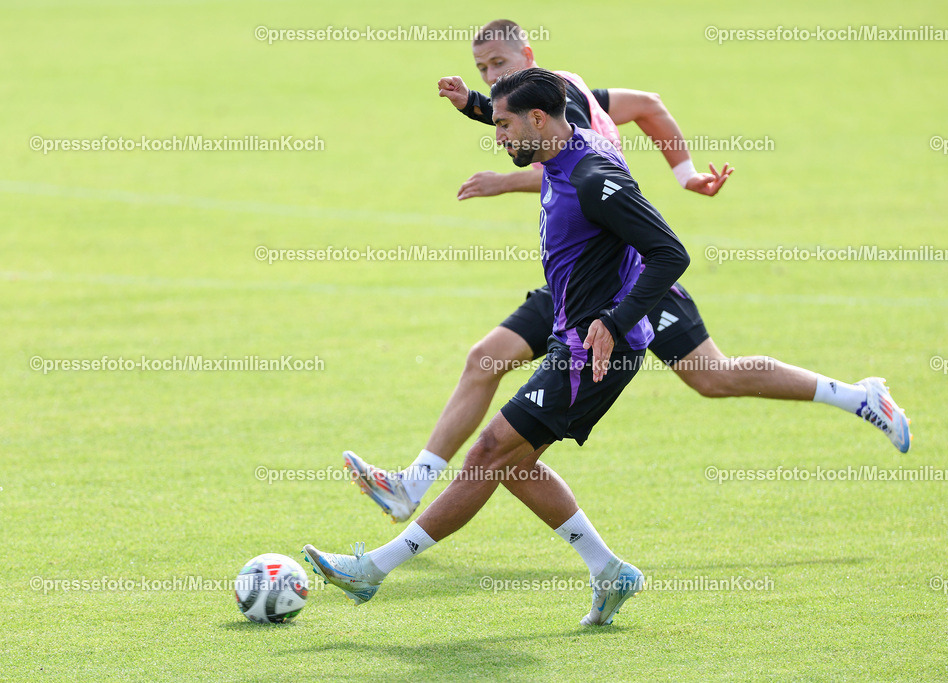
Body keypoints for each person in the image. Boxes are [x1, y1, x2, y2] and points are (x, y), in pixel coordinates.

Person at [344, 19, 912, 525]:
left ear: (530, 60)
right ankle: (410, 485)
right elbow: (637, 109)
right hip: (575, 281)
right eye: (482, 70)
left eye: (499, 66)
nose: (492, 78)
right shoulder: (542, 103)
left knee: (713, 376)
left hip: (625, 280)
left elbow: (574, 160)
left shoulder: (567, 100)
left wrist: (503, 178)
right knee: (484, 359)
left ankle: (857, 396)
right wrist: (686, 173)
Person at [305, 68, 691, 626]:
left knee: (489, 452)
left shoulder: (594, 177)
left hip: (595, 349)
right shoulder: (559, 142)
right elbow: (518, 118)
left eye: (505, 125)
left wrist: (614, 319)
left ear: (539, 120)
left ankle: (373, 571)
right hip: (571, 334)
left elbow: (669, 253)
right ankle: (609, 571)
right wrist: (473, 105)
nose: (499, 136)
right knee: (514, 463)